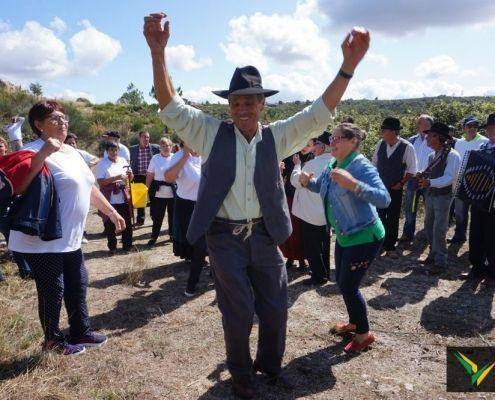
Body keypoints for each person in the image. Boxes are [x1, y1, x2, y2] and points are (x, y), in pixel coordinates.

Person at [144, 11, 369, 398]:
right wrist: (157, 52)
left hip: (265, 234)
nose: (243, 107)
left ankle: (269, 365)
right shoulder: (212, 132)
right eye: (236, 101)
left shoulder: (277, 137)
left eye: (251, 100)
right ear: (229, 104)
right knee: (238, 310)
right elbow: (171, 106)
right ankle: (242, 377)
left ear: (262, 104)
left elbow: (319, 112)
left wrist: (347, 66)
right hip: (224, 235)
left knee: (276, 307)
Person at [8, 100, 125, 355]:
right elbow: (18, 187)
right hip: (44, 237)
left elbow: (90, 187)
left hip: (70, 236)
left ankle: (80, 331)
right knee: (53, 288)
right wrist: (42, 155)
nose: (63, 122)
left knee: (78, 282)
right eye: (55, 119)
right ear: (38, 125)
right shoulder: (30, 151)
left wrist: (111, 211)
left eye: (65, 118)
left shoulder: (72, 152)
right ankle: (52, 341)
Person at [300, 123, 390, 353]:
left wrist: (353, 184)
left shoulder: (361, 167)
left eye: (338, 138)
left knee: (349, 286)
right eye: (332, 138)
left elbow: (384, 199)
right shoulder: (333, 163)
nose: (333, 142)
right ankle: (355, 322)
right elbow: (321, 185)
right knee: (342, 282)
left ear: (353, 141)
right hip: (344, 235)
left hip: (365, 236)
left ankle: (363, 334)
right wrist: (307, 182)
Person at [417, 122, 461, 274]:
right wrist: (422, 174)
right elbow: (430, 172)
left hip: (444, 196)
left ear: (438, 137)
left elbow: (449, 178)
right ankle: (433, 254)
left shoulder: (453, 155)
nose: (427, 137)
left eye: (430, 135)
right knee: (429, 224)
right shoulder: (432, 155)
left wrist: (429, 182)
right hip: (431, 194)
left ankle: (441, 261)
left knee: (439, 228)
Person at [164, 143, 206, 297]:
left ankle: (196, 282)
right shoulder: (178, 156)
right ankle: (193, 282)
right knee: (197, 245)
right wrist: (185, 156)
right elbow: (168, 178)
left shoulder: (205, 155)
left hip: (206, 205)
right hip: (186, 206)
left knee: (207, 244)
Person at [290, 132, 333, 285]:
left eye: (316, 145)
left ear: (323, 147)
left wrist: (296, 165)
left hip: (310, 212)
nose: (313, 148)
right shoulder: (334, 162)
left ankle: (318, 276)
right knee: (324, 244)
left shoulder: (312, 164)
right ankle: (325, 272)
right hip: (326, 211)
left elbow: (296, 181)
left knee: (312, 246)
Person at [372, 117, 417, 258]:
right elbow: (374, 164)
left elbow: (412, 170)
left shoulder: (407, 147)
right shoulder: (381, 144)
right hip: (380, 187)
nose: (381, 132)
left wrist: (401, 183)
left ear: (392, 132)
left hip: (395, 188)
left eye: (383, 130)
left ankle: (390, 246)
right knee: (379, 216)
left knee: (393, 217)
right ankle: (380, 244)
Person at [464, 113, 495, 285]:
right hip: (478, 198)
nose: (491, 131)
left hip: (493, 202)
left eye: (494, 128)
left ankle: (492, 273)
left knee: (492, 237)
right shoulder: (483, 148)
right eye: (489, 128)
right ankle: (477, 269)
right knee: (476, 233)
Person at [449, 115, 488, 244]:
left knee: (478, 214)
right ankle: (460, 235)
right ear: (464, 127)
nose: (472, 128)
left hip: (479, 184)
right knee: (460, 212)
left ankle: (477, 240)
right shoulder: (459, 143)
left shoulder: (485, 142)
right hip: (461, 182)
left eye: (475, 126)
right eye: (469, 126)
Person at [279, 139, 314, 270]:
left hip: (305, 199)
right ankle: (290, 257)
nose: (305, 147)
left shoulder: (313, 159)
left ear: (313, 147)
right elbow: (282, 173)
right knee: (290, 228)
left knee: (301, 230)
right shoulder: (291, 157)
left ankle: (302, 259)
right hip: (289, 196)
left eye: (309, 145)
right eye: (304, 143)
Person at [400, 114, 434, 243]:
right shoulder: (412, 140)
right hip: (413, 179)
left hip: (429, 179)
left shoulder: (435, 140)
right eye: (421, 124)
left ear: (431, 126)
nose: (423, 127)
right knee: (410, 207)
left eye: (426, 125)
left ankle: (428, 234)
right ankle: (407, 234)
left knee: (429, 208)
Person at [95, 142, 134, 254]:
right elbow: (101, 182)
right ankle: (112, 247)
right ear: (107, 151)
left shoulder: (122, 160)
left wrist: (130, 176)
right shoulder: (102, 164)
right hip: (109, 197)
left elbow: (130, 178)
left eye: (116, 150)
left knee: (127, 220)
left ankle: (127, 245)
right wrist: (116, 178)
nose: (114, 152)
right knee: (109, 223)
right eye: (111, 150)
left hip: (123, 195)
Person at [146, 137, 175, 245]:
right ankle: (154, 237)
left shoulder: (176, 158)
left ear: (171, 147)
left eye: (168, 145)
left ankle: (172, 235)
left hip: (173, 192)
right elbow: (150, 174)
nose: (166, 148)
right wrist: (146, 189)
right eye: (163, 146)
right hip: (158, 193)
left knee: (173, 216)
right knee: (157, 216)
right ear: (160, 148)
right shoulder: (155, 158)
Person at [130, 131, 160, 225]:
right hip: (138, 176)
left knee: (153, 198)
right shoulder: (133, 149)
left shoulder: (155, 148)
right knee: (140, 199)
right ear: (139, 138)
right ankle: (140, 219)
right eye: (144, 137)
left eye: (147, 137)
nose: (146, 139)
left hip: (151, 176)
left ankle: (154, 218)